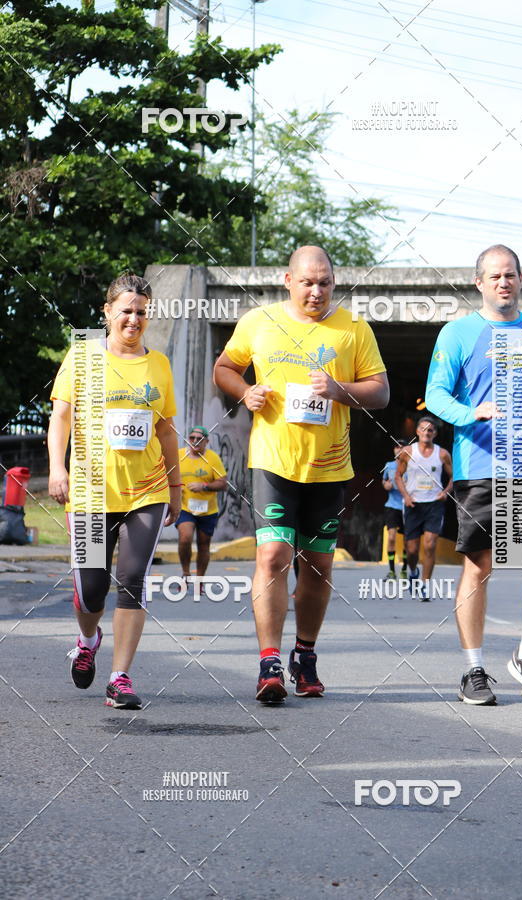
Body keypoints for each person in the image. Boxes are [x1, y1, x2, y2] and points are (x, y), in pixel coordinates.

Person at [213, 245, 389, 702]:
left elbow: (381, 392)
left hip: (329, 467)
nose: (316, 291)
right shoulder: (259, 322)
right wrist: (246, 391)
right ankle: (269, 661)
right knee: (273, 556)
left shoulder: (353, 329)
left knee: (318, 564)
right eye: (307, 282)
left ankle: (304, 654)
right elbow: (225, 368)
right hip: (273, 460)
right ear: (287, 280)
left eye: (325, 282)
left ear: (334, 283)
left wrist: (338, 389)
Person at [425, 244, 522, 706]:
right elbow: (434, 396)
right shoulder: (458, 333)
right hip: (479, 470)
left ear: (521, 279)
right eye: (494, 275)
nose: (503, 282)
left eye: (510, 274)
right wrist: (470, 412)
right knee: (481, 566)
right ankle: (474, 670)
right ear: (479, 283)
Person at [48, 273, 181, 710]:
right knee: (90, 589)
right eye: (126, 310)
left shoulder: (159, 365)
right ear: (107, 312)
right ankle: (88, 639)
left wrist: (176, 486)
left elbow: (165, 431)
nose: (134, 319)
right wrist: (56, 468)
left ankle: (119, 677)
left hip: (146, 489)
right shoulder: (83, 355)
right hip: (89, 491)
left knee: (133, 580)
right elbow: (61, 418)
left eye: (142, 312)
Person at [394, 417, 453, 598]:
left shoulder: (442, 454)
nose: (426, 433)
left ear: (434, 433)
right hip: (413, 504)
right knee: (411, 550)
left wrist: (446, 492)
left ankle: (425, 585)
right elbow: (397, 476)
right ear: (417, 432)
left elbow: (454, 477)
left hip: (434, 504)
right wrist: (406, 496)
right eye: (423, 429)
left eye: (430, 430)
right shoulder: (407, 453)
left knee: (430, 545)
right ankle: (413, 572)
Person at [176, 425, 227, 587]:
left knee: (204, 545)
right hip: (185, 508)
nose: (195, 441)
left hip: (208, 510)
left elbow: (223, 483)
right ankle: (185, 573)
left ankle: (200, 580)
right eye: (192, 438)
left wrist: (204, 486)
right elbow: (167, 474)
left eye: (200, 439)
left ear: (206, 442)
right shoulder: (178, 456)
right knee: (185, 538)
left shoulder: (212, 458)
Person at [382, 442, 408, 579]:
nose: (399, 449)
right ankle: (392, 571)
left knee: (407, 540)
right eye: (397, 446)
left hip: (406, 506)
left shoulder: (411, 466)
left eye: (402, 446)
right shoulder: (389, 465)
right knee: (391, 537)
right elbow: (384, 480)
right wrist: (386, 484)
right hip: (391, 506)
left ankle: (404, 569)